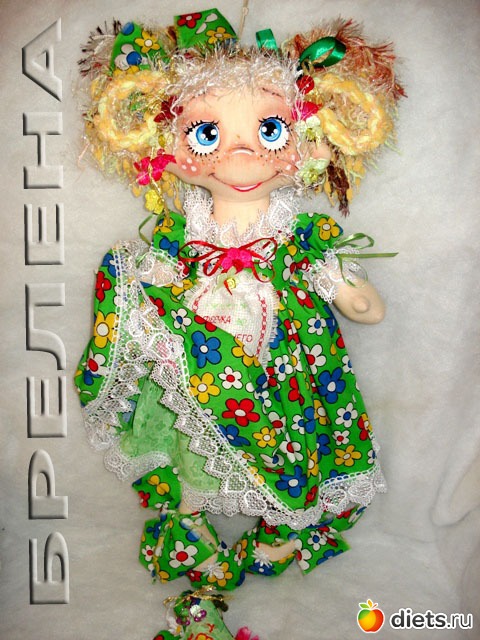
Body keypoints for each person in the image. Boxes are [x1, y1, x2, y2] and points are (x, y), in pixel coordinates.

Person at [75, 10, 403, 638]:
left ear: (309, 138)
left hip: (282, 361)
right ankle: (196, 540)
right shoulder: (182, 233)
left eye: (270, 129)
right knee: (190, 437)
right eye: (207, 134)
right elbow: (154, 276)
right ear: (162, 146)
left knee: (288, 434)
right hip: (200, 361)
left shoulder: (298, 237)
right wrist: (139, 283)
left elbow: (363, 304)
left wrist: (341, 283)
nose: (242, 154)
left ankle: (276, 534)